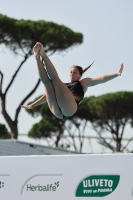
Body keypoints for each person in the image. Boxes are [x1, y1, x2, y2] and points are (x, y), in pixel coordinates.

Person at [21, 42, 124, 119]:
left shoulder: (83, 83)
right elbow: (46, 96)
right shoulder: (63, 86)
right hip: (57, 112)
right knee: (47, 83)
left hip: (70, 109)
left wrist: (116, 73)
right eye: (70, 72)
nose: (72, 74)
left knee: (55, 80)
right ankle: (37, 58)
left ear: (80, 75)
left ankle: (43, 54)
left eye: (74, 72)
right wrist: (32, 105)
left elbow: (101, 79)